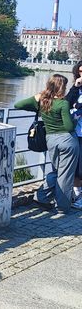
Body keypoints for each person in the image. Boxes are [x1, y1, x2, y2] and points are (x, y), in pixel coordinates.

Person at [15, 74, 80, 212]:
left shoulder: (42, 101)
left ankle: (42, 197)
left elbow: (17, 104)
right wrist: (76, 117)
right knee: (65, 175)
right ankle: (62, 207)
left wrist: (36, 97)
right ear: (61, 86)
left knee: (57, 171)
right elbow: (69, 127)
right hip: (67, 140)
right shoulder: (63, 103)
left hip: (51, 140)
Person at [65, 61, 82, 205]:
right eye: (80, 71)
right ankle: (77, 195)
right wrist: (75, 87)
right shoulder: (77, 88)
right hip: (76, 132)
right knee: (76, 166)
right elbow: (66, 104)